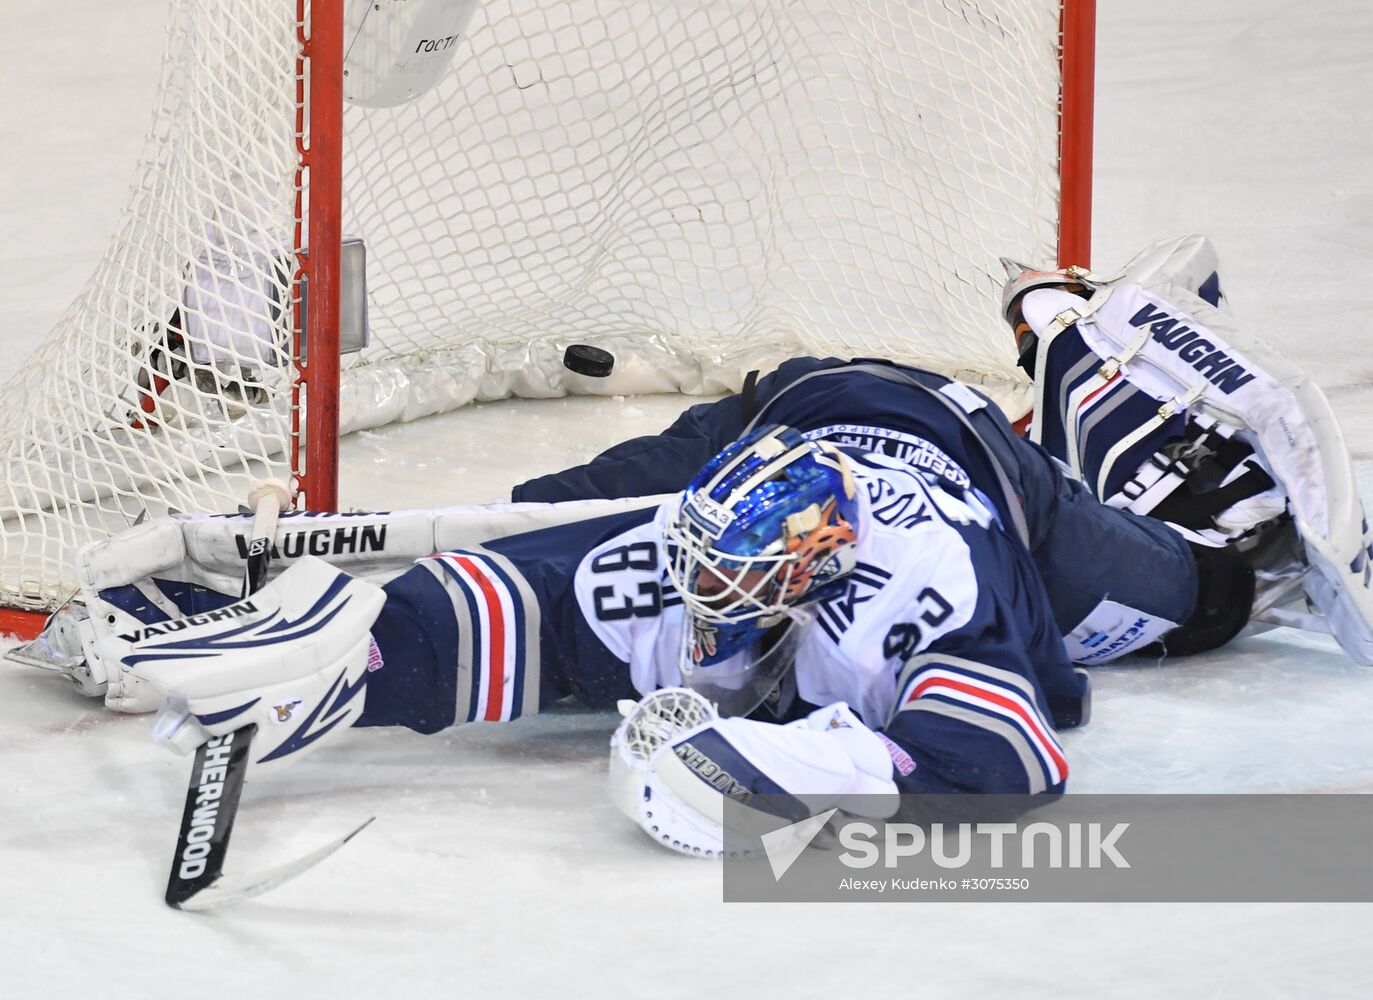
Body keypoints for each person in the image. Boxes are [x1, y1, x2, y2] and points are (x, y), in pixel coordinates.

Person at [45, 235, 1372, 857]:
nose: (704, 604)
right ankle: (1058, 322)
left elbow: (1004, 755)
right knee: (544, 504)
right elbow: (521, 610)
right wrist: (354, 671)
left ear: (815, 578)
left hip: (988, 468)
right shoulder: (690, 551)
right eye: (707, 577)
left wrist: (777, 766)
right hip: (767, 413)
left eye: (741, 588)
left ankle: (1080, 332)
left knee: (1203, 593)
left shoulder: (933, 588)